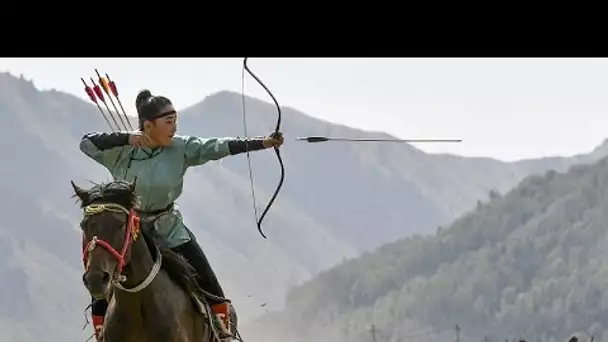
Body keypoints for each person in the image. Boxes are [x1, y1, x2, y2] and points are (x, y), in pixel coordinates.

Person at [79, 89, 284, 341]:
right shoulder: (122, 152)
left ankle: (223, 333)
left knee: (211, 286)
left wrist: (262, 142)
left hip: (169, 228)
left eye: (175, 120)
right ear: (148, 125)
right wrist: (127, 138)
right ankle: (101, 332)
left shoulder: (180, 148)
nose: (174, 127)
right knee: (100, 274)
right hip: (132, 233)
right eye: (168, 122)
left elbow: (218, 147)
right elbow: (86, 142)